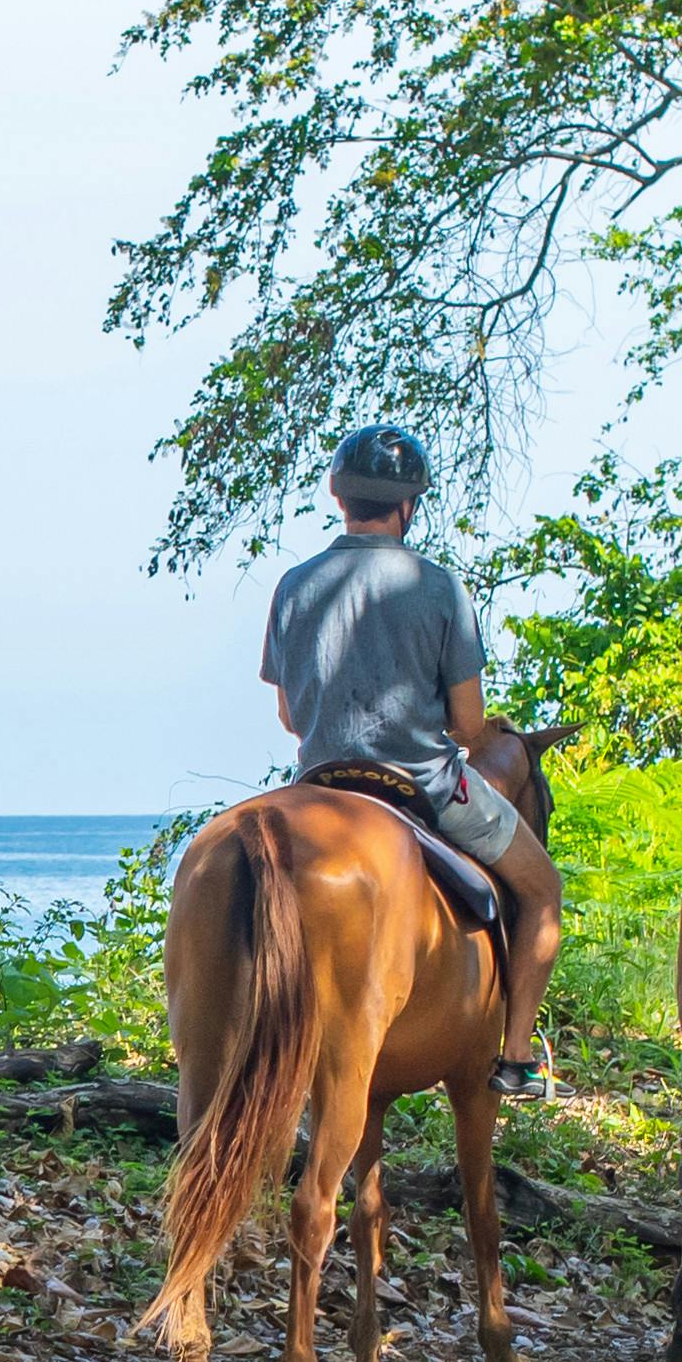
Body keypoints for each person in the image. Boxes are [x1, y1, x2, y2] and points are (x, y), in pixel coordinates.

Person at [259, 421, 558, 1088]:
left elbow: (287, 714)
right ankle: (514, 1058)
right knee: (543, 891)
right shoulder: (438, 585)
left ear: (338, 494)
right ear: (409, 505)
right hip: (424, 785)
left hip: (320, 786)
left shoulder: (293, 585)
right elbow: (471, 722)